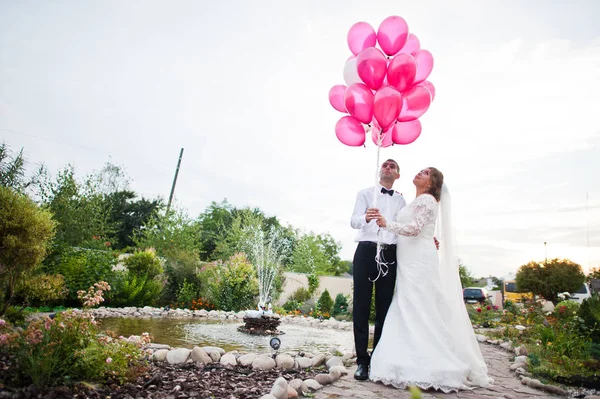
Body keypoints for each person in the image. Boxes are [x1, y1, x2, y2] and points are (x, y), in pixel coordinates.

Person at [368, 167, 492, 392]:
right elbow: (421, 228)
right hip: (410, 259)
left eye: (425, 173)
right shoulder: (418, 201)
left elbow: (414, 229)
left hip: (418, 262)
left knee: (419, 304)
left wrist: (387, 224)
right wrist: (428, 237)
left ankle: (429, 361)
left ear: (432, 182)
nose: (419, 173)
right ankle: (406, 355)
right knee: (409, 304)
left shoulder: (428, 200)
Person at [350, 159, 406, 380]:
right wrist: (365, 217)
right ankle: (362, 361)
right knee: (361, 307)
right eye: (385, 165)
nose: (388, 168)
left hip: (389, 253)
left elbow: (404, 229)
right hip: (365, 251)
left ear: (397, 175)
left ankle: (378, 359)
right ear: (378, 170)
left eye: (392, 166)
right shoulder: (365, 194)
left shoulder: (401, 201)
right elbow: (353, 221)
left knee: (384, 309)